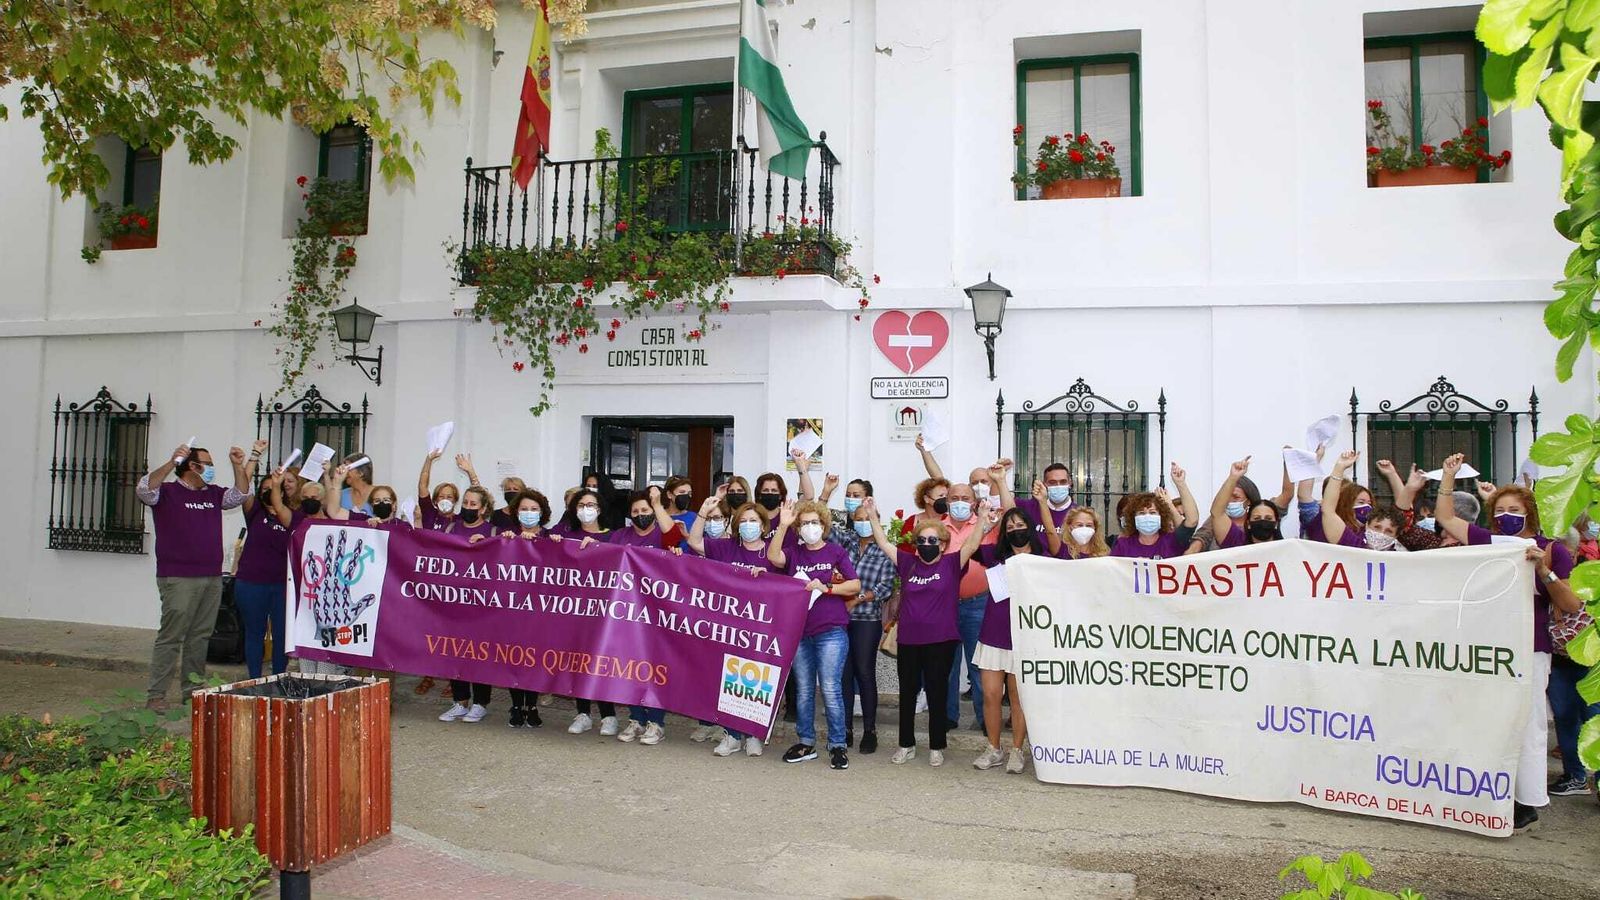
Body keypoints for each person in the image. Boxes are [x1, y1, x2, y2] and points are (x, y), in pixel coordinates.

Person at [1436, 453, 1580, 833]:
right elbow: (1447, 518)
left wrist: (1543, 570)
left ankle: (1526, 800)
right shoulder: (1490, 542)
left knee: (1528, 722)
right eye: (1500, 510)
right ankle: (1488, 791)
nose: (1506, 516)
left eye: (1514, 510)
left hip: (1531, 647)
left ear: (1529, 512)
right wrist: (1449, 477)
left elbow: (1570, 603)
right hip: (1488, 646)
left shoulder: (1552, 549)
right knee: (1487, 718)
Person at [861, 495, 988, 767]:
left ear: (942, 544)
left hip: (941, 640)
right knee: (907, 693)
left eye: (932, 540)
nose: (926, 544)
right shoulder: (907, 563)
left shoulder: (952, 563)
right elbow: (883, 542)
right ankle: (905, 744)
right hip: (909, 640)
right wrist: (872, 514)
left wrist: (983, 517)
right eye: (921, 540)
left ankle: (936, 746)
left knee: (937, 692)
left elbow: (972, 543)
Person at [137, 441, 250, 710]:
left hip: (211, 576)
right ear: (191, 466)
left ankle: (192, 690)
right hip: (178, 577)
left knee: (200, 636)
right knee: (171, 636)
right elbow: (144, 490)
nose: (211, 469)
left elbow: (240, 495)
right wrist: (171, 462)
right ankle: (157, 695)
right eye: (206, 464)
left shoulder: (213, 494)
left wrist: (238, 466)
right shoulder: (167, 492)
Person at [768, 500, 862, 770]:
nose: (810, 527)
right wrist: (783, 526)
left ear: (824, 525)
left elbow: (855, 584)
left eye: (815, 522)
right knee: (804, 689)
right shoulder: (794, 553)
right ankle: (806, 742)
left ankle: (837, 744)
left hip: (831, 630)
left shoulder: (835, 552)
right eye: (805, 523)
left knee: (830, 688)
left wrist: (827, 588)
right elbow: (773, 558)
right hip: (799, 632)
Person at [685, 495, 772, 758]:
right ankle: (731, 735)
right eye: (743, 521)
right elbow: (694, 542)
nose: (748, 525)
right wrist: (703, 512)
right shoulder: (726, 547)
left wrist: (766, 577)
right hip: (728, 626)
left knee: (755, 680)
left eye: (753, 521)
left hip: (760, 628)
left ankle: (753, 734)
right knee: (728, 680)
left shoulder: (772, 552)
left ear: (763, 525)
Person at [970, 503, 1044, 774]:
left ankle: (1017, 750)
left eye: (1020, 526)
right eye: (1010, 527)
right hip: (993, 635)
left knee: (1017, 697)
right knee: (990, 694)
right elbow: (971, 546)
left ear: (1030, 528)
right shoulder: (995, 555)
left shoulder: (1043, 560)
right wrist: (985, 524)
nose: (1015, 531)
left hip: (1025, 638)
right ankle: (993, 748)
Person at [612, 488, 684, 745]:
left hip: (656, 613)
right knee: (629, 666)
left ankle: (656, 722)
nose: (640, 514)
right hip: (627, 613)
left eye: (645, 510)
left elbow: (674, 537)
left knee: (654, 668)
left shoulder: (662, 533)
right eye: (636, 511)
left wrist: (657, 503)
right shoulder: (620, 536)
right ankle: (636, 718)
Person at [827, 494, 894, 755]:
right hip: (840, 618)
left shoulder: (884, 548)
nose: (863, 523)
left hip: (867, 619)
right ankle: (845, 729)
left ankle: (869, 730)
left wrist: (858, 599)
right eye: (859, 519)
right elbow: (824, 524)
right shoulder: (846, 543)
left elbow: (886, 586)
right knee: (843, 674)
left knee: (865, 672)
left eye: (868, 519)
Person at [549, 487, 619, 735]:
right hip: (573, 609)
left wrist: (600, 547)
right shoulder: (567, 535)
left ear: (599, 509)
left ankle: (608, 715)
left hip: (603, 609)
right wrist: (553, 544)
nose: (586, 510)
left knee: (601, 660)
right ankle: (583, 713)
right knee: (577, 660)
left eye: (591, 505)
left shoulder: (613, 536)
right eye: (581, 505)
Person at [233, 441, 295, 679]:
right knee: (255, 633)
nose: (270, 491)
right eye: (266, 488)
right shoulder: (254, 511)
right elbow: (242, 486)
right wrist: (253, 456)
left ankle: (279, 678)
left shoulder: (291, 516)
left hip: (282, 585)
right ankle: (255, 679)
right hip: (251, 583)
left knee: (282, 635)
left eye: (275, 487)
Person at [499, 488, 559, 728]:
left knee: (534, 658)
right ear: (516, 512)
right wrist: (505, 543)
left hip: (541, 611)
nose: (529, 513)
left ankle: (531, 705)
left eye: (534, 509)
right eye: (524, 509)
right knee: (513, 657)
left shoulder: (552, 538)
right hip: (512, 609)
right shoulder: (507, 537)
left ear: (542, 513)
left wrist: (556, 544)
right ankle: (516, 705)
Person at [941, 481, 997, 734]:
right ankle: (948, 716)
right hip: (946, 606)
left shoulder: (987, 525)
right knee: (948, 664)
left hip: (979, 604)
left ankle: (986, 718)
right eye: (954, 498)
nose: (960, 502)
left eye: (965, 498)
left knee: (979, 664)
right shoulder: (937, 528)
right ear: (947, 501)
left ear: (974, 502)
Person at [1192, 456, 1293, 552]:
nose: (1262, 522)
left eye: (1268, 518)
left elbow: (1287, 494)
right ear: (1248, 524)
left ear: (1276, 523)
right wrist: (1233, 477)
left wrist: (1290, 459)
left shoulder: (1285, 549)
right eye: (1256, 518)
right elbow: (1216, 512)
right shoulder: (1237, 541)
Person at [1109, 464, 1199, 559]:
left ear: (1161, 516)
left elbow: (1192, 521)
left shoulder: (1173, 541)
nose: (1147, 517)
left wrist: (1180, 483)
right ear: (1133, 518)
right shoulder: (1123, 545)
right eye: (1141, 513)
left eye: (1152, 512)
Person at [1319, 451, 1388, 549]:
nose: (1382, 533)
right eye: (1361, 502)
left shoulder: (1389, 548)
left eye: (1370, 503)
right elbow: (1328, 510)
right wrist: (1339, 468)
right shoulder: (1352, 540)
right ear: (1346, 504)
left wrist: (1392, 475)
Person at [416, 450, 463, 532]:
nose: (445, 500)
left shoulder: (460, 520)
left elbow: (477, 496)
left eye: (449, 497)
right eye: (441, 496)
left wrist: (470, 472)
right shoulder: (429, 513)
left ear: (455, 500)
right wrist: (428, 460)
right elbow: (422, 486)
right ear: (435, 500)